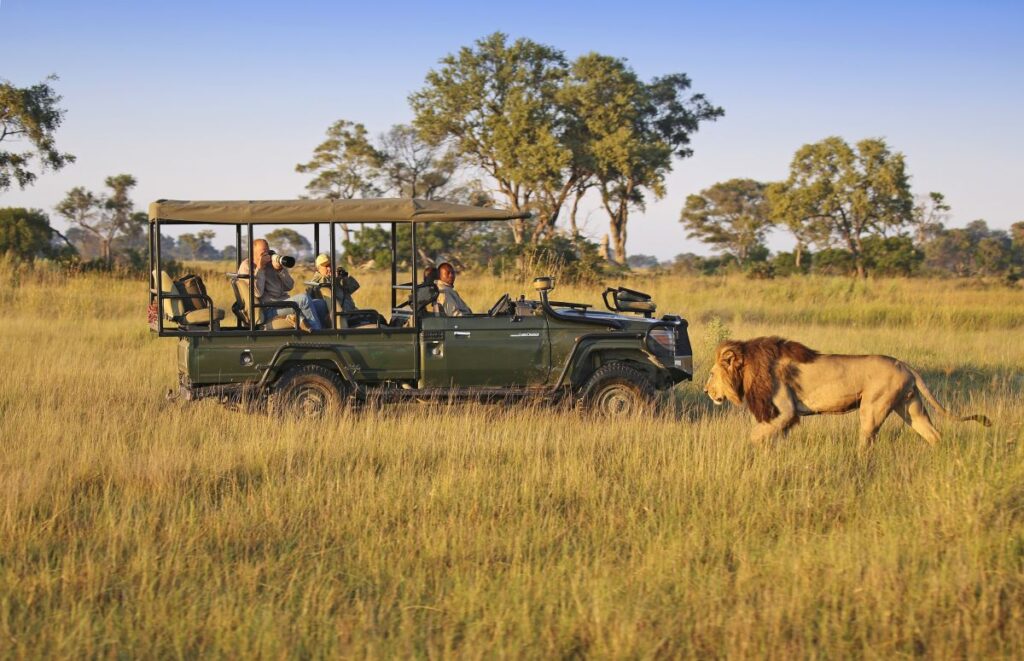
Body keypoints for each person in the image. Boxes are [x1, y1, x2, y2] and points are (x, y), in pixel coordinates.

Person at [237, 238, 323, 331]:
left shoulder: (271, 263)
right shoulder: (247, 266)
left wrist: (280, 270)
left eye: (268, 251)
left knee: (321, 304)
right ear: (252, 253)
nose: (267, 255)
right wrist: (260, 268)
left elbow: (289, 286)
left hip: (283, 303)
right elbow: (257, 293)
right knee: (304, 299)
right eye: (263, 253)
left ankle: (324, 331)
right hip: (267, 309)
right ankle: (317, 335)